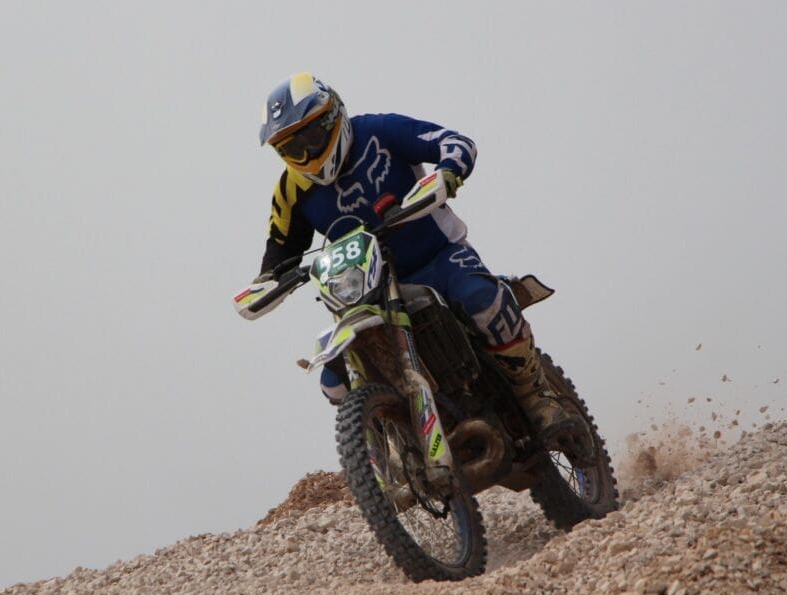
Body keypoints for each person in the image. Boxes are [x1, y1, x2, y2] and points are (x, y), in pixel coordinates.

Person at [251, 71, 592, 460]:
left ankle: (537, 396)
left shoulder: (378, 131)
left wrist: (448, 171)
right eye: (291, 147)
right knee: (334, 381)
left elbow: (453, 141)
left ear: (332, 117)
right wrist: (267, 279)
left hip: (437, 258)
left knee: (480, 299)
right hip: (366, 291)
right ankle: (392, 456)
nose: (306, 152)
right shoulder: (291, 189)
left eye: (310, 136)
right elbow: (281, 246)